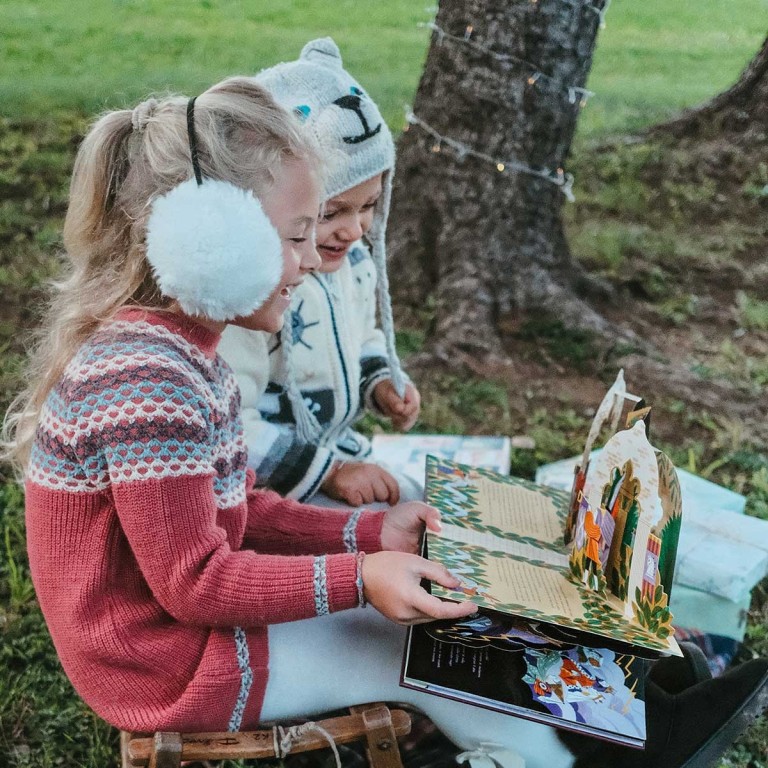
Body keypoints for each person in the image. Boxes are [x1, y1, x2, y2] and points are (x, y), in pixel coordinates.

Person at [5, 76, 765, 768]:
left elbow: (238, 515)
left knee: (451, 601)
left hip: (186, 636)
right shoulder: (149, 381)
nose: (310, 262)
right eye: (295, 235)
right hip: (165, 663)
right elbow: (195, 581)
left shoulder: (183, 352)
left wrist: (370, 535)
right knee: (429, 649)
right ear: (210, 241)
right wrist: (361, 577)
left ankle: (637, 710)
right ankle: (584, 756)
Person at [218, 38, 422, 509]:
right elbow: (225, 425)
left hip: (339, 454)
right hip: (271, 485)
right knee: (394, 533)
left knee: (424, 506)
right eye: (330, 213)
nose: (354, 230)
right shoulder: (251, 295)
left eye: (369, 206)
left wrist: (379, 380)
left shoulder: (352, 262)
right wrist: (328, 473)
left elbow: (363, 333)